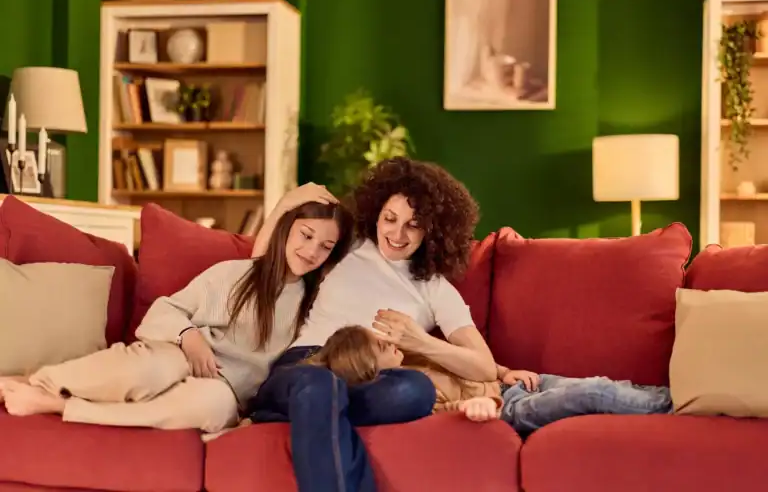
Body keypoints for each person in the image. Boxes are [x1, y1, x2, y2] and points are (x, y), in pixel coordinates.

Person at [247, 157, 496, 492]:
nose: (397, 233)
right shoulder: (348, 245)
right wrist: (286, 204)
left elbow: (483, 367)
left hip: (368, 377)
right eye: (390, 219)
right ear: (376, 212)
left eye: (413, 224)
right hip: (308, 363)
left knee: (416, 390)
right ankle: (307, 404)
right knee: (320, 384)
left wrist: (419, 341)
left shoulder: (435, 288)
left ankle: (306, 413)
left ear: (432, 230)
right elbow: (264, 268)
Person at [0, 200, 354, 434]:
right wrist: (189, 336)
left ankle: (58, 405)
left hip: (223, 388)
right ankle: (37, 380)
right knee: (151, 370)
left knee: (210, 408)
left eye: (325, 247)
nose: (311, 251)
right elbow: (166, 311)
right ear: (287, 229)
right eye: (306, 235)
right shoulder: (237, 273)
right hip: (179, 352)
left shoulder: (316, 306)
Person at [309, 325, 673, 436]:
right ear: (372, 367)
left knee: (605, 381)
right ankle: (684, 405)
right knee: (596, 392)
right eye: (381, 346)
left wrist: (502, 372)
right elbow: (443, 413)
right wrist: (474, 406)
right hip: (511, 408)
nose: (391, 342)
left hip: (514, 385)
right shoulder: (401, 393)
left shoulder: (411, 357)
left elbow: (466, 365)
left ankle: (677, 395)